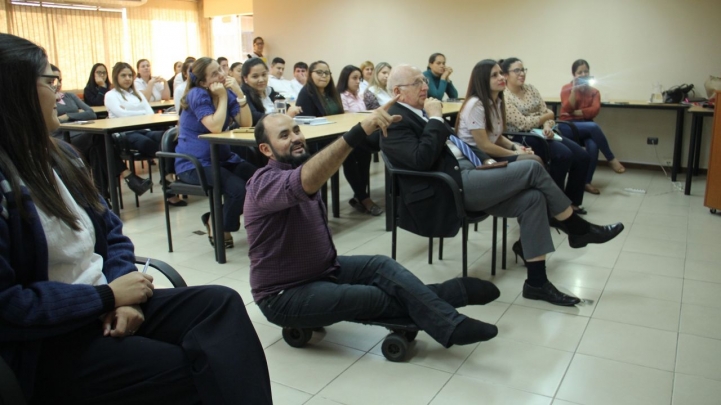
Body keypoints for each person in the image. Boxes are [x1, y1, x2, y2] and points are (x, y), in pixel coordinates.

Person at [0, 33, 272, 405]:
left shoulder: (60, 154)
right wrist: (106, 297)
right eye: (51, 82)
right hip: (53, 337)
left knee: (221, 305)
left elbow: (111, 230)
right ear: (14, 91)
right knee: (190, 366)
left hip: (106, 300)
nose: (61, 95)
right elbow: (9, 306)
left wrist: (122, 295)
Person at [245, 106, 504, 350]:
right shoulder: (263, 184)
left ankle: (450, 296)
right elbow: (303, 182)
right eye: (284, 135)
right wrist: (360, 131)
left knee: (381, 265)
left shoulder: (299, 170)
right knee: (374, 297)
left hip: (322, 270)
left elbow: (307, 177)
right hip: (283, 295)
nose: (295, 138)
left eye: (296, 130)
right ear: (266, 150)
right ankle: (451, 318)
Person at [380, 64, 625, 306]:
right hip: (449, 188)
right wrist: (435, 118)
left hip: (470, 172)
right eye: (417, 83)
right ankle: (577, 228)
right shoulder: (394, 121)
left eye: (423, 81)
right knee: (533, 167)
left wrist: (485, 159)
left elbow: (456, 146)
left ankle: (536, 283)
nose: (425, 86)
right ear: (398, 92)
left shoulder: (421, 111)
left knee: (533, 199)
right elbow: (420, 160)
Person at [176, 57, 255, 249]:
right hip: (194, 163)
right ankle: (217, 223)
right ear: (203, 82)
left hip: (222, 159)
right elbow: (215, 127)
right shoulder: (197, 94)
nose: (222, 75)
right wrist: (223, 97)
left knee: (259, 180)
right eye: (214, 74)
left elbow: (246, 123)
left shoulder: (226, 91)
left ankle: (216, 218)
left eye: (220, 69)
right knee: (238, 190)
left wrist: (238, 93)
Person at [502, 57, 591, 214]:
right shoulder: (504, 95)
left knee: (582, 156)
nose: (521, 73)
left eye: (523, 70)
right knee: (563, 155)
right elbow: (522, 123)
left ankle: (573, 203)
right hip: (522, 136)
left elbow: (547, 113)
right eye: (517, 70)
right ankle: (555, 206)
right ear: (506, 75)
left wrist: (547, 127)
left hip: (543, 133)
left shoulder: (531, 89)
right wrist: (545, 118)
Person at [104, 62, 170, 199]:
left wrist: (130, 111)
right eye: (123, 75)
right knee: (146, 143)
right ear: (116, 77)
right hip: (125, 134)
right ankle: (168, 177)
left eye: (130, 75)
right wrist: (138, 112)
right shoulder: (111, 95)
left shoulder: (138, 94)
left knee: (167, 137)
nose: (127, 78)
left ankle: (168, 176)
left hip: (144, 129)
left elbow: (149, 113)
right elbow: (121, 115)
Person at [456, 60, 542, 164]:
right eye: (494, 75)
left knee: (533, 158)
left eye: (501, 73)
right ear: (483, 80)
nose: (501, 77)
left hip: (489, 154)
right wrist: (516, 153)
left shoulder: (497, 102)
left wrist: (515, 146)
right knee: (533, 161)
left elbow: (495, 136)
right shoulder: (476, 105)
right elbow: (484, 146)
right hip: (477, 159)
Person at [559, 59, 626, 194]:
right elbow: (567, 109)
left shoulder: (594, 91)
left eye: (586, 71)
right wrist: (574, 90)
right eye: (579, 72)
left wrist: (578, 112)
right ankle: (611, 158)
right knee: (594, 127)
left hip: (585, 127)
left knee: (593, 146)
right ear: (574, 74)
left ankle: (586, 182)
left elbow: (595, 110)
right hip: (567, 126)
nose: (583, 74)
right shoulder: (566, 88)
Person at [337, 65, 382, 215]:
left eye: (359, 78)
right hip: (347, 135)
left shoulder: (359, 95)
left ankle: (360, 196)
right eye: (354, 78)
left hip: (361, 134)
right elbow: (347, 119)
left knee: (365, 153)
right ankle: (363, 197)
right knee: (352, 154)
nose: (358, 81)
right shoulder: (342, 96)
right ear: (345, 79)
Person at [240, 57, 302, 126]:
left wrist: (293, 110)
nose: (261, 80)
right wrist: (284, 116)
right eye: (255, 76)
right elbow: (255, 117)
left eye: (264, 75)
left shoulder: (269, 91)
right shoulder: (243, 94)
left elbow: (286, 106)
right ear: (245, 78)